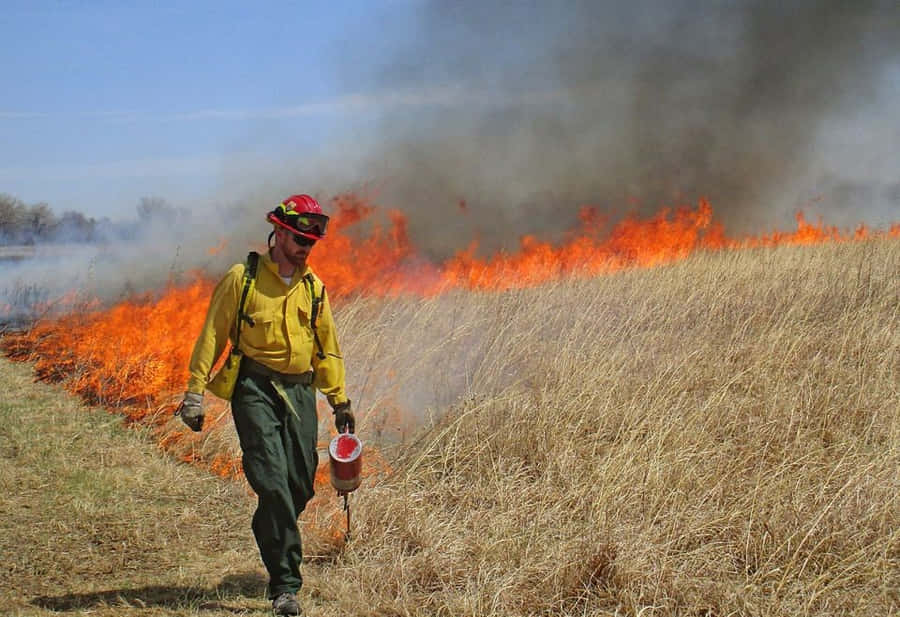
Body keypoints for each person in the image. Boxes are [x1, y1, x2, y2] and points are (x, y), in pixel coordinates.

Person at [176, 194, 354, 616]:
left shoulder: (314, 288)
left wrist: (339, 399)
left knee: (300, 484)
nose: (305, 246)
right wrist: (194, 392)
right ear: (277, 232)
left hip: (300, 393)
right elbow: (212, 336)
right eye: (298, 238)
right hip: (254, 389)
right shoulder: (243, 278)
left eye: (311, 241)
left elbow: (327, 349)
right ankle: (285, 585)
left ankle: (270, 524)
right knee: (272, 482)